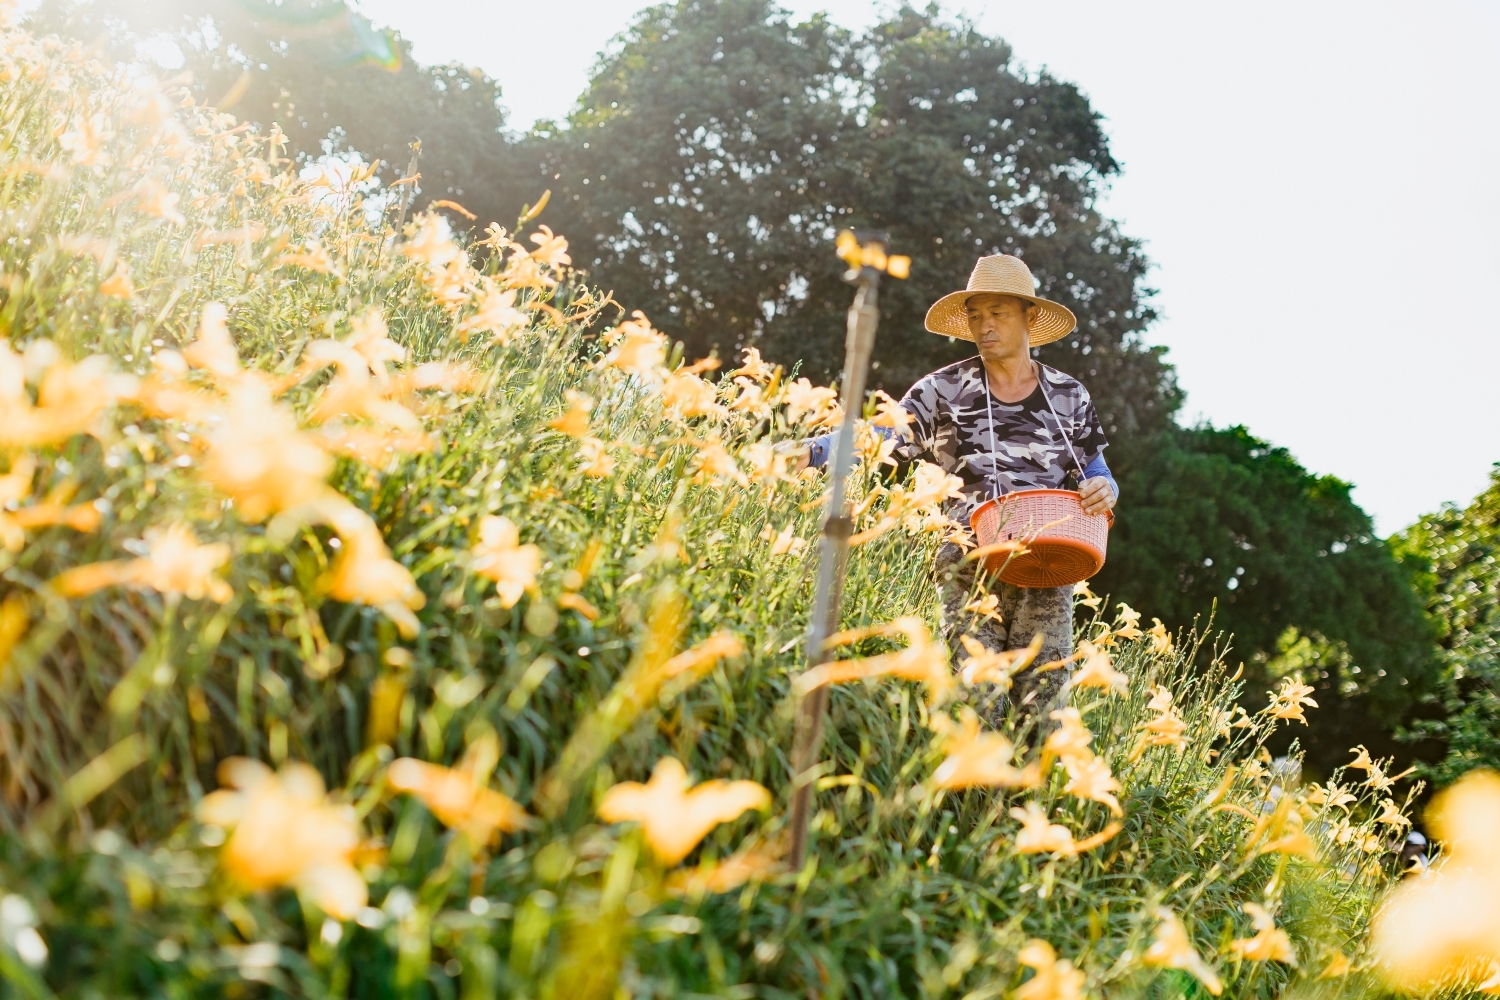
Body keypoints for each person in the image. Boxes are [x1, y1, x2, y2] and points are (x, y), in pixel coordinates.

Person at [802, 254, 1118, 724]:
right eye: (974, 315)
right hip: (968, 563)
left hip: (1047, 568)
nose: (983, 326)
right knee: (977, 703)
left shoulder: (1068, 394)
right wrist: (811, 452)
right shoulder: (943, 389)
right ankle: (973, 798)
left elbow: (1095, 470)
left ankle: (1033, 799)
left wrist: (1104, 488)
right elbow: (884, 437)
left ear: (1029, 317)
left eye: (997, 313)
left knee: (1045, 715)